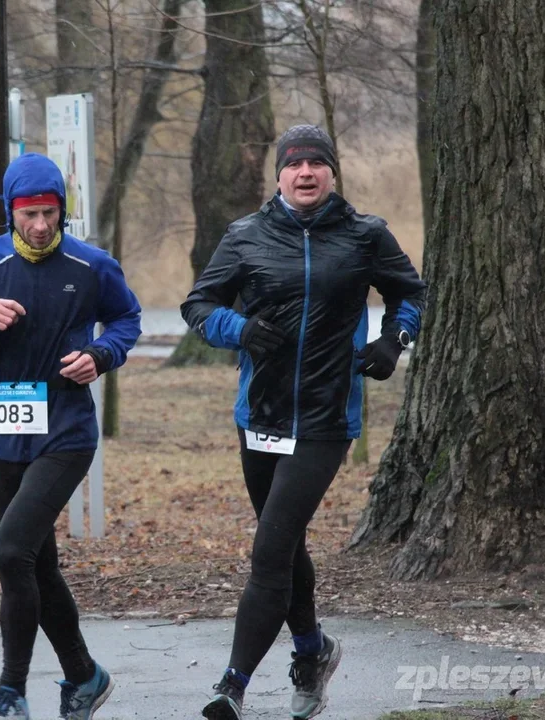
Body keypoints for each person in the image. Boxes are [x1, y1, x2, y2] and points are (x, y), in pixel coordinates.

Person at [181, 125, 426, 720]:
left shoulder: (365, 234)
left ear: (332, 174)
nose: (306, 172)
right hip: (259, 416)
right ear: (280, 176)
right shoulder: (246, 235)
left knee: (269, 550)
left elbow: (410, 292)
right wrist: (238, 329)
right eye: (295, 164)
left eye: (318, 162)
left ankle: (231, 686)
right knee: (284, 547)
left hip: (323, 417)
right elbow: (198, 306)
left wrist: (394, 341)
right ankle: (312, 651)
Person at [0, 152, 142, 720]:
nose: (40, 225)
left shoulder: (90, 265)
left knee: (12, 549)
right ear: (11, 215)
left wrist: (101, 354)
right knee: (38, 566)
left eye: (49, 213)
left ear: (62, 211)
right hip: (6, 434)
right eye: (29, 214)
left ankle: (10, 692)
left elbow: (127, 320)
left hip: (66, 433)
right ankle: (84, 677)